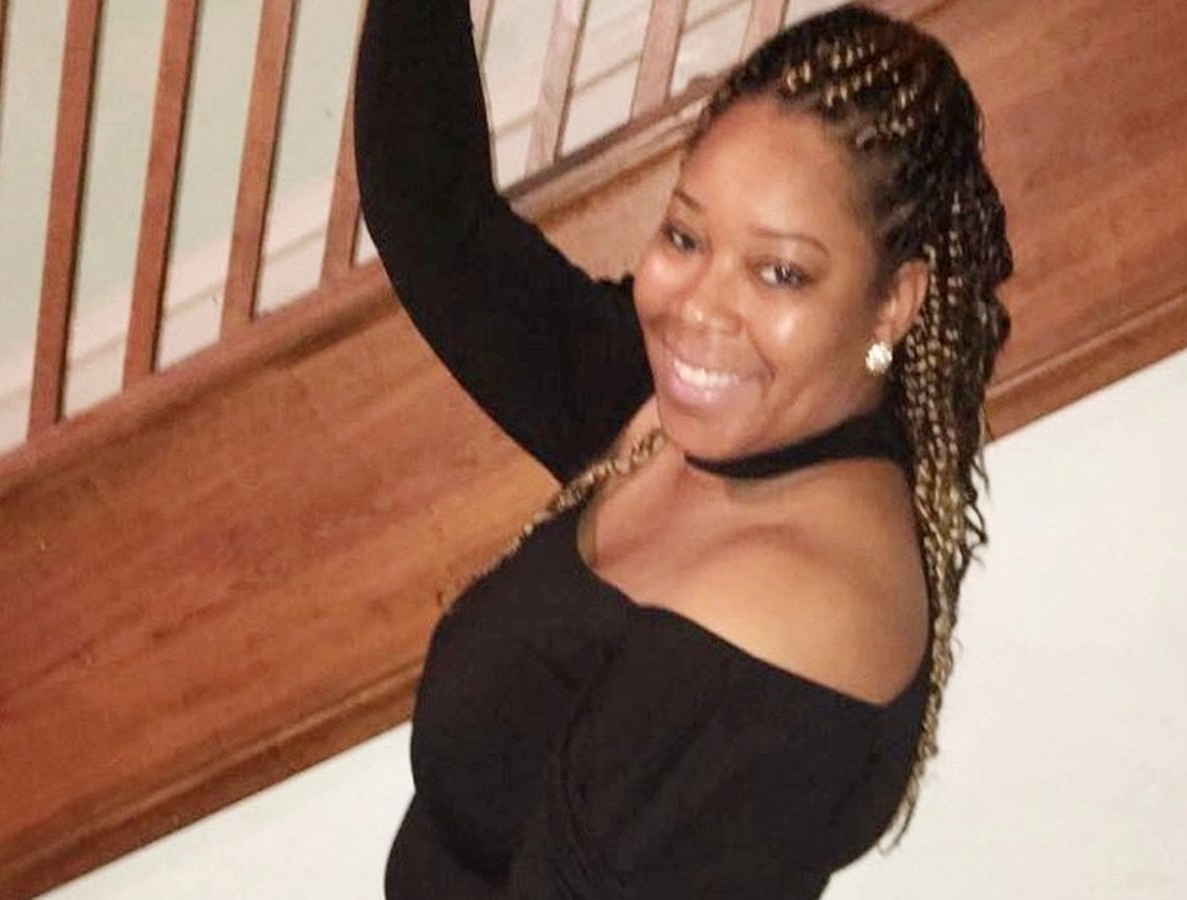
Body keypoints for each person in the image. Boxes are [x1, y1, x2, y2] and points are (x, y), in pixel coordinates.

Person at [354, 0, 1012, 896]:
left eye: (781, 272)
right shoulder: (699, 418)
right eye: (685, 236)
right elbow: (435, 216)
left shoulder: (781, 628)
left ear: (894, 302)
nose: (698, 308)